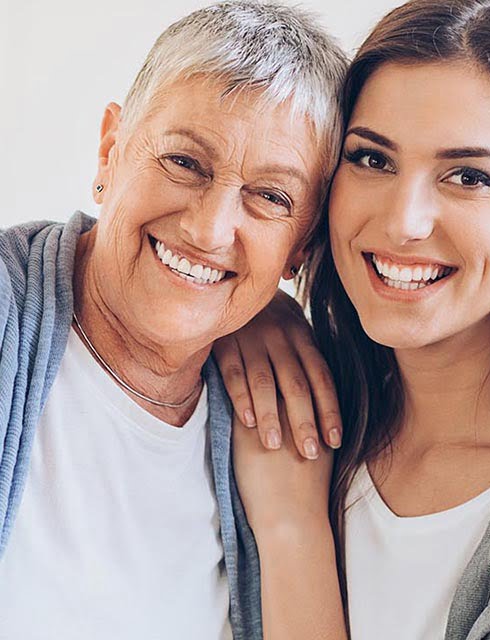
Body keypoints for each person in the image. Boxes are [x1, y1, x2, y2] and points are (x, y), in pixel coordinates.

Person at [214, 0, 490, 637]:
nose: (403, 221)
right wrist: (246, 302)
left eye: (467, 176)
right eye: (372, 160)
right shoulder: (278, 393)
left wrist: (292, 528)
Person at [0, 2, 349, 639]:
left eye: (270, 197)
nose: (209, 229)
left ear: (301, 248)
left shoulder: (293, 421)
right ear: (111, 150)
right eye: (185, 162)